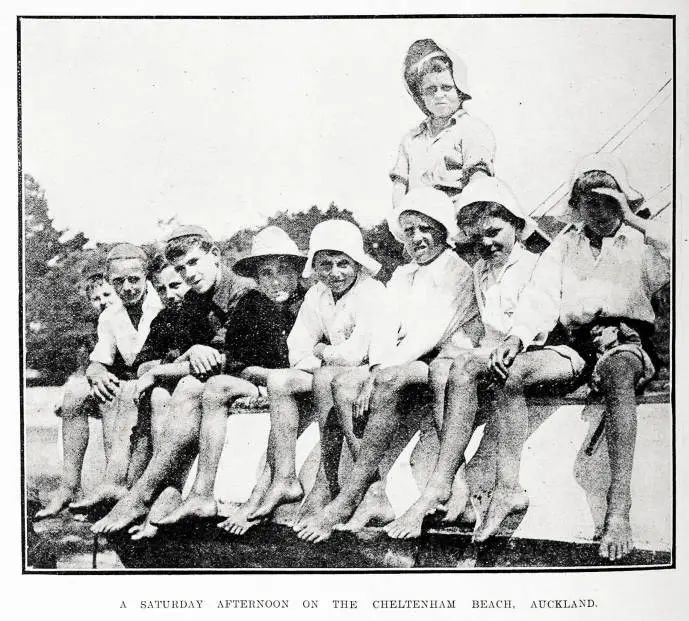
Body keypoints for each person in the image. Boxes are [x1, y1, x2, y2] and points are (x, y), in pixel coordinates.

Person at [472, 154, 670, 562]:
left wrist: (632, 218)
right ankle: (508, 489)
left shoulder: (641, 241)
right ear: (576, 205)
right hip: (578, 343)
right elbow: (541, 296)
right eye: (588, 202)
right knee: (513, 372)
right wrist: (517, 337)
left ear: (621, 202)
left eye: (606, 201)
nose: (596, 212)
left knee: (617, 374)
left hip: (627, 340)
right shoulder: (565, 243)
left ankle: (619, 508)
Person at [295, 187, 482, 542]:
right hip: (409, 359)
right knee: (342, 383)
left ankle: (347, 497)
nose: (417, 237)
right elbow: (384, 326)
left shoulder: (457, 271)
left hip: (445, 357)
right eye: (409, 230)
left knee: (384, 379)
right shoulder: (402, 274)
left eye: (425, 228)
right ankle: (374, 493)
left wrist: (379, 371)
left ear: (443, 229)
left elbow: (427, 334)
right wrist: (371, 366)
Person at [384, 176, 546, 538]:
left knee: (457, 368)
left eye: (494, 232)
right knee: (443, 365)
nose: (486, 243)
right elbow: (482, 326)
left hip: (530, 347)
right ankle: (452, 482)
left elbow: (536, 312)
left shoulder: (536, 263)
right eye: (476, 237)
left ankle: (440, 486)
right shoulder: (480, 270)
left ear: (517, 226)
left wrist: (507, 342)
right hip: (490, 351)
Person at [90, 226, 252, 533]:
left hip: (251, 375)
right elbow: (154, 359)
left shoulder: (243, 292)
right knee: (161, 393)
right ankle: (156, 492)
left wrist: (164, 368)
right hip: (218, 375)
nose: (187, 277)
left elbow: (228, 356)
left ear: (215, 256)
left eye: (192, 265)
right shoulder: (192, 302)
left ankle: (142, 494)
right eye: (181, 269)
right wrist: (182, 358)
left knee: (187, 387)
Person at [153, 226, 308, 528]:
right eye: (266, 274)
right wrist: (263, 375)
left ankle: (257, 499)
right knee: (217, 386)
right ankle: (196, 492)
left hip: (303, 384)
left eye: (283, 271)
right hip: (272, 384)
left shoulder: (308, 303)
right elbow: (240, 362)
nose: (275, 281)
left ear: (298, 272)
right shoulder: (253, 306)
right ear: (257, 279)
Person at [239, 220, 388, 530]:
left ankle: (350, 485)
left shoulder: (371, 292)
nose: (335, 272)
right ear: (315, 266)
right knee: (279, 379)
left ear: (356, 263)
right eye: (325, 264)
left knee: (326, 378)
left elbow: (356, 353)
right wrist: (323, 354)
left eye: (343, 263)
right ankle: (285, 478)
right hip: (331, 373)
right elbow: (297, 352)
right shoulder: (317, 295)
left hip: (371, 370)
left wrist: (323, 351)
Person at [51, 244, 164, 515]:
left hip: (158, 379)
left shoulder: (164, 303)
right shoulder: (110, 316)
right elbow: (98, 360)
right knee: (75, 393)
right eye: (118, 281)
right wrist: (98, 373)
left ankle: (117, 485)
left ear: (146, 275)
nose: (126, 288)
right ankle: (68, 485)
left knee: (123, 392)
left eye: (134, 279)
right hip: (132, 381)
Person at [35, 254, 119, 519]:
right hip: (109, 378)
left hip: (126, 382)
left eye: (107, 294)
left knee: (107, 398)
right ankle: (70, 486)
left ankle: (111, 484)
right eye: (96, 298)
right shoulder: (101, 324)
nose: (103, 301)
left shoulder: (128, 315)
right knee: (73, 394)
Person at [390, 39, 495, 211]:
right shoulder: (410, 139)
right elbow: (399, 185)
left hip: (457, 221)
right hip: (418, 226)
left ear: (460, 91)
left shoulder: (472, 129)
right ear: (421, 96)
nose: (439, 95)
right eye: (431, 89)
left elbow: (479, 180)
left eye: (446, 88)